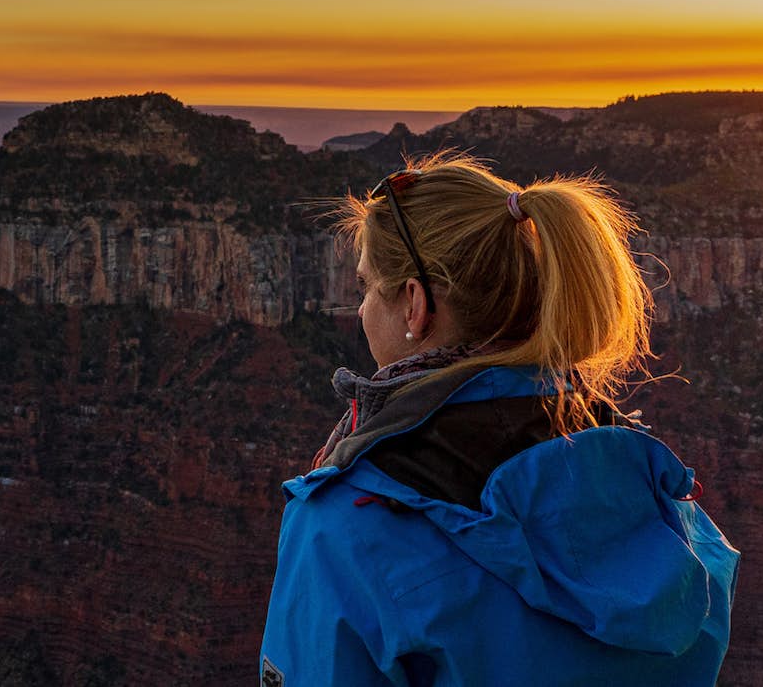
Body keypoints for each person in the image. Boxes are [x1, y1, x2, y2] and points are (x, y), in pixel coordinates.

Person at [259, 154, 737, 686]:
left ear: (414, 304)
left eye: (367, 287)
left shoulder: (345, 528)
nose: (362, 310)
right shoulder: (653, 494)